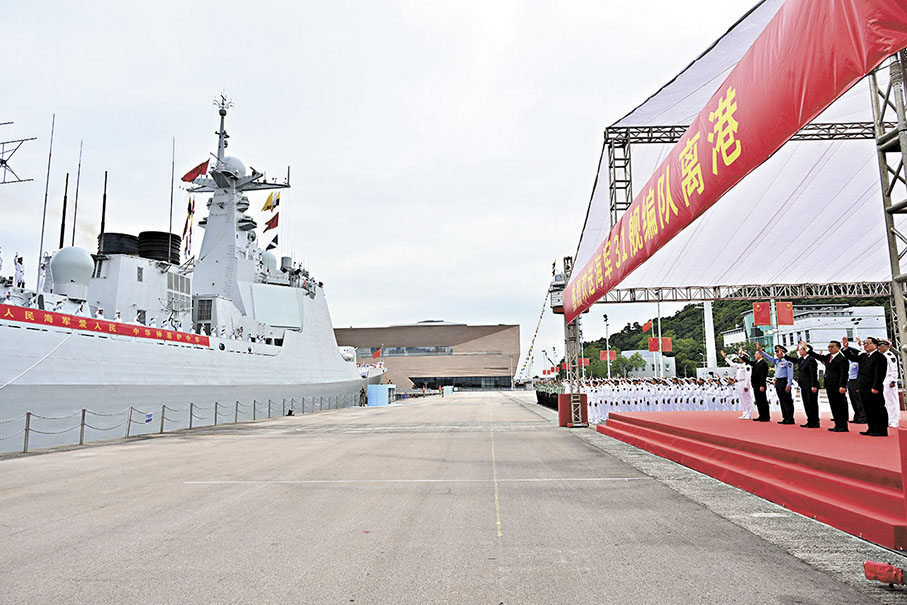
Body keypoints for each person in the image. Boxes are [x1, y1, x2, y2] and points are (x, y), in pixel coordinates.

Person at [841, 337, 889, 436]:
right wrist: (846, 348)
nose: (865, 345)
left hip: (873, 388)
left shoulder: (879, 357)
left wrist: (876, 386)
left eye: (868, 343)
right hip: (863, 387)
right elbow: (852, 357)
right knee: (868, 409)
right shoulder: (864, 356)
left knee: (878, 408)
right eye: (864, 343)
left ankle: (881, 430)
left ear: (875, 345)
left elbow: (879, 374)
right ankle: (871, 428)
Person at [806, 340, 851, 432]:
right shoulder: (828, 357)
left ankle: (843, 425)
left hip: (838, 385)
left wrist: (843, 385)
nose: (829, 348)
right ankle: (837, 424)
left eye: (832, 346)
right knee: (833, 405)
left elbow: (844, 373)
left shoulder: (841, 359)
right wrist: (807, 349)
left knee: (840, 405)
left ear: (838, 348)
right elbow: (818, 357)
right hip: (830, 385)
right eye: (829, 346)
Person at [757, 343, 796, 424]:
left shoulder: (788, 361)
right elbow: (769, 357)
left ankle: (790, 418)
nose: (777, 354)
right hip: (778, 382)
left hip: (784, 381)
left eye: (778, 352)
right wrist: (760, 351)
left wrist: (788, 384)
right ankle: (785, 417)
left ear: (783, 352)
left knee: (787, 400)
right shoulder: (777, 361)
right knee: (782, 400)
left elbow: (790, 374)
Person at [721, 350, 754, 420]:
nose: (739, 358)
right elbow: (732, 364)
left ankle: (749, 414)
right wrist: (725, 358)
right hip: (739, 382)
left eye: (741, 357)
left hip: (744, 382)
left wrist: (746, 385)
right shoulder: (740, 365)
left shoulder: (747, 365)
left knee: (747, 399)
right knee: (742, 399)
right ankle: (745, 413)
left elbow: (748, 376)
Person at [841, 336, 867, 423]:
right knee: (853, 400)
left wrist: (861, 345)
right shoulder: (849, 362)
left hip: (856, 381)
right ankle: (857, 417)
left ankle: (863, 417)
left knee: (859, 400)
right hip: (850, 381)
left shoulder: (858, 361)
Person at [741, 348, 770, 422]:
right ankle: (761, 415)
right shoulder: (756, 363)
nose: (754, 356)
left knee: (763, 401)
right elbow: (748, 361)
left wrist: (762, 385)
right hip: (755, 385)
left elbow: (763, 375)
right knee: (758, 401)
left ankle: (766, 416)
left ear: (760, 355)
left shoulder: (763, 363)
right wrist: (741, 355)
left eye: (756, 354)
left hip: (760, 385)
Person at [796, 344, 820, 428]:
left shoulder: (811, 360)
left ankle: (815, 422)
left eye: (801, 349)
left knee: (812, 404)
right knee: (806, 404)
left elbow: (813, 374)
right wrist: (784, 355)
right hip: (804, 386)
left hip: (810, 386)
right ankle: (810, 420)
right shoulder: (801, 360)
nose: (799, 351)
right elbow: (793, 359)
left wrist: (813, 385)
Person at [878, 339, 900, 428]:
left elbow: (894, 369)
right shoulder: (881, 356)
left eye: (881, 345)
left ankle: (894, 420)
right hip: (882, 381)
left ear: (886, 346)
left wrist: (893, 380)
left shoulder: (890, 355)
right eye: (878, 346)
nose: (879, 347)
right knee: (885, 402)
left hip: (889, 380)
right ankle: (889, 419)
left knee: (892, 402)